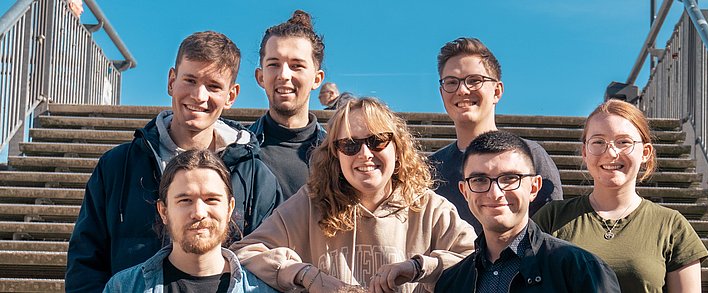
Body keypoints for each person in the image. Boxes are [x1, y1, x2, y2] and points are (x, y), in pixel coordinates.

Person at [66, 31, 281, 293]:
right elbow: (85, 262)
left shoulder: (255, 175)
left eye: (213, 86)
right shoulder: (117, 166)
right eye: (189, 80)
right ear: (171, 81)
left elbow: (269, 261)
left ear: (231, 95)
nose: (199, 95)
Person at [231, 98, 476, 293]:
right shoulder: (311, 203)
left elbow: (475, 260)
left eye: (377, 141)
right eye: (349, 145)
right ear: (335, 155)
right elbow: (245, 253)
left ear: (398, 148)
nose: (365, 154)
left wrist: (419, 267)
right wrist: (306, 275)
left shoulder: (429, 208)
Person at [533, 99, 708, 292]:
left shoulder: (672, 225)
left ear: (646, 152)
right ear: (585, 152)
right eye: (598, 142)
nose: (611, 152)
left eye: (624, 142)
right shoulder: (552, 217)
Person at [436, 131, 620, 292]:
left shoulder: (580, 270)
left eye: (509, 178)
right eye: (479, 180)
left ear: (534, 187)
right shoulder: (451, 283)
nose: (495, 193)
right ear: (465, 192)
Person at [429, 37, 563, 233]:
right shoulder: (430, 169)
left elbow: (551, 233)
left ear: (497, 91)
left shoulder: (530, 156)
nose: (462, 90)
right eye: (451, 82)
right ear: (442, 93)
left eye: (474, 80)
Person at [104, 149, 278, 292]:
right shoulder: (123, 287)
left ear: (230, 208)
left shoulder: (262, 289)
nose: (198, 213)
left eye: (211, 200)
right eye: (185, 200)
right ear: (163, 211)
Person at [250, 10, 328, 198]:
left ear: (317, 79)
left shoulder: (337, 154)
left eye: (296, 65)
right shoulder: (239, 149)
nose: (284, 75)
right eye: (274, 64)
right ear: (260, 77)